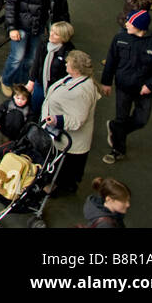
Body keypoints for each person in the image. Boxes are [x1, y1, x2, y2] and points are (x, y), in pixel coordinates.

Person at [101, 9, 152, 164]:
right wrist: (106, 82)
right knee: (122, 118)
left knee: (141, 120)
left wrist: (150, 85)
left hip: (143, 90)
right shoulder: (120, 38)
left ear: (140, 26)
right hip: (123, 87)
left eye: (130, 22)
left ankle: (115, 129)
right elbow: (111, 61)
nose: (126, 24)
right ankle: (117, 151)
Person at [40, 49, 101, 196]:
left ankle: (60, 188)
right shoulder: (74, 79)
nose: (65, 64)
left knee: (65, 169)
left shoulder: (81, 92)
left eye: (68, 63)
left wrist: (57, 120)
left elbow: (78, 120)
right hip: (60, 135)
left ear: (75, 69)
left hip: (71, 140)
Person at [0, 0, 63, 96]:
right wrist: (12, 28)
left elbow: (55, 9)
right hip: (21, 26)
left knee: (32, 58)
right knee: (17, 57)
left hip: (38, 27)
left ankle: (21, 81)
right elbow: (11, 6)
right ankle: (7, 80)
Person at [26, 20, 74, 112]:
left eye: (56, 34)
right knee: (35, 107)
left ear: (64, 38)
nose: (51, 34)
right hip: (40, 83)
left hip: (56, 88)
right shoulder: (44, 42)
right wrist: (31, 81)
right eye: (51, 31)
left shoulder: (69, 52)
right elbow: (37, 63)